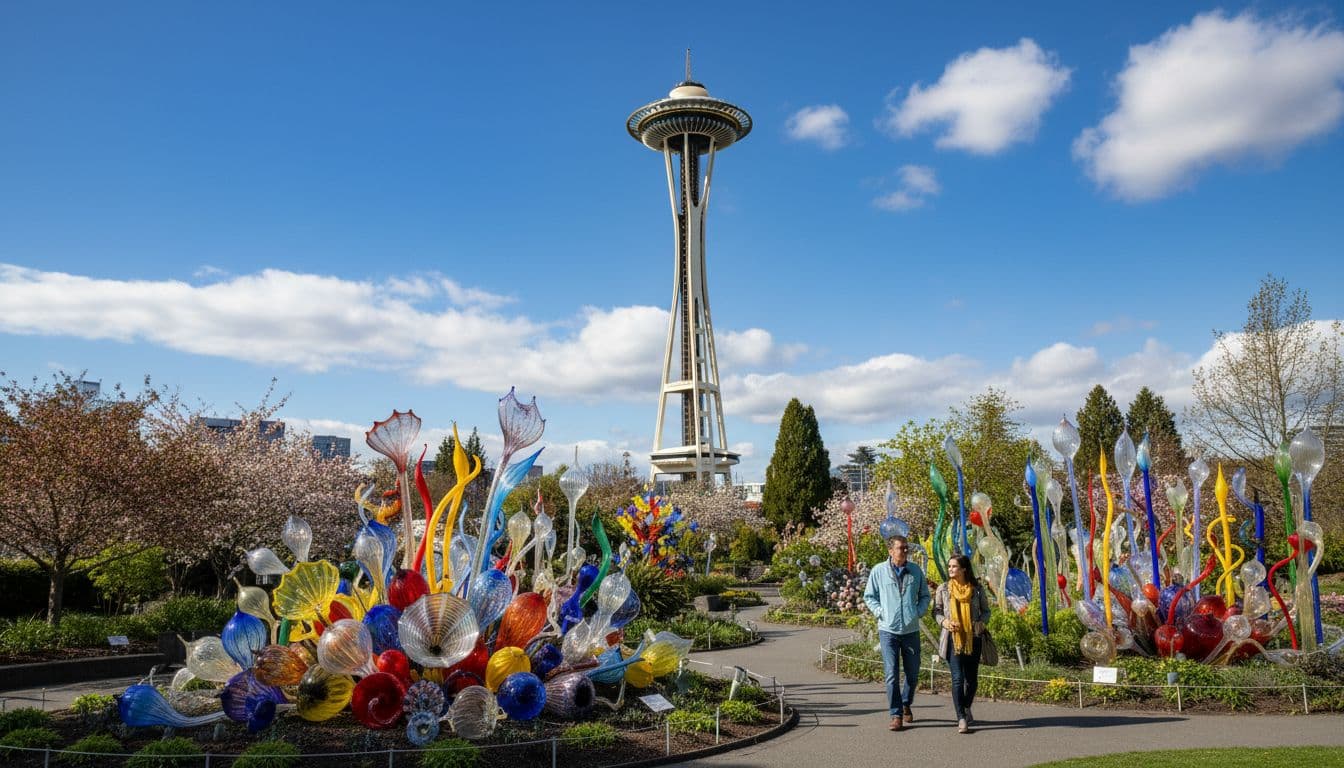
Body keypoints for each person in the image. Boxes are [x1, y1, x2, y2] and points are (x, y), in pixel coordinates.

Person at [863, 534, 931, 731]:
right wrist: (880, 612)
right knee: (891, 673)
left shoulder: (915, 571)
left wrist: (917, 612)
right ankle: (896, 714)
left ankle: (906, 702)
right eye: (900, 548)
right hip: (888, 630)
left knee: (912, 674)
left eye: (906, 548)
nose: (904, 551)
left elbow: (925, 596)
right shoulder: (878, 571)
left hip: (910, 630)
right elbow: (869, 596)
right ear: (890, 551)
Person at [933, 553, 992, 734]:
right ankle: (961, 718)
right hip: (953, 639)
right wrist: (945, 622)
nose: (950, 569)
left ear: (964, 569)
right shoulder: (943, 589)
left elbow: (986, 611)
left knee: (972, 681)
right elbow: (936, 611)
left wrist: (981, 622)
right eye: (949, 566)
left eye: (954, 566)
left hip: (973, 638)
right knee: (957, 679)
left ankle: (966, 707)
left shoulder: (977, 589)